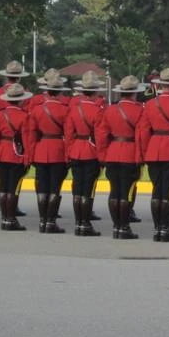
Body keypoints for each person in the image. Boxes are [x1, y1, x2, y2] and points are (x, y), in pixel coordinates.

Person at [138, 67, 169, 242]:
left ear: (160, 85)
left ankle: (157, 228)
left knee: (156, 190)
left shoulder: (150, 104)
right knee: (167, 191)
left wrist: (145, 152)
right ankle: (165, 229)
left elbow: (144, 131)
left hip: (154, 148)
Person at [97, 75, 147, 239]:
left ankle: (116, 227)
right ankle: (124, 227)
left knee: (114, 191)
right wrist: (142, 156)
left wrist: (103, 155)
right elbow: (142, 136)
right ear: (135, 93)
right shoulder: (140, 110)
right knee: (127, 192)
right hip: (130, 153)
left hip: (112, 152)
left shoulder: (110, 110)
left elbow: (102, 135)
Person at [27, 73, 71, 233]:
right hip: (58, 149)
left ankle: (42, 221)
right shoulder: (65, 110)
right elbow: (69, 134)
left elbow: (32, 134)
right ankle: (51, 222)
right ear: (60, 92)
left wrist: (31, 154)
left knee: (42, 187)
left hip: (41, 149)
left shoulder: (37, 110)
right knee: (54, 187)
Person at [0, 82, 33, 231]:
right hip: (16, 154)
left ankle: (4, 219)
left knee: (3, 187)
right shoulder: (25, 116)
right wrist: (28, 157)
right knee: (13, 188)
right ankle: (11, 219)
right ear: (21, 100)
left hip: (2, 152)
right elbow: (27, 140)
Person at [66, 71, 105, 237]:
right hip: (90, 151)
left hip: (76, 149)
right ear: (95, 92)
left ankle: (78, 223)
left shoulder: (74, 109)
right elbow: (100, 137)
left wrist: (69, 151)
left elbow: (69, 133)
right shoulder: (98, 110)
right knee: (88, 189)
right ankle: (85, 224)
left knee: (77, 187)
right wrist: (102, 156)